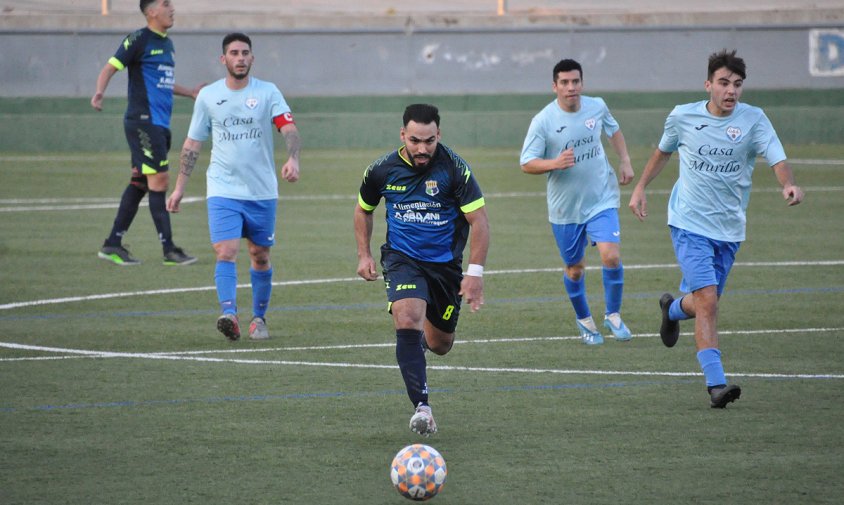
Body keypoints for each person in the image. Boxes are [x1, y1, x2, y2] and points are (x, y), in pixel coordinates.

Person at [628, 49, 804, 408]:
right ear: (708, 84)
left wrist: (788, 183)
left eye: (737, 85)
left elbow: (777, 158)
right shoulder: (683, 117)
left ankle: (673, 308)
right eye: (724, 83)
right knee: (709, 302)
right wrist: (641, 186)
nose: (731, 91)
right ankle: (716, 385)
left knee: (704, 303)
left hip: (729, 229)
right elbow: (663, 151)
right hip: (688, 223)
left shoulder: (754, 120)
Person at [354, 104, 489, 436]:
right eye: (415, 140)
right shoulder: (382, 170)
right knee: (406, 316)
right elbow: (363, 210)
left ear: (438, 135)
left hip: (445, 267)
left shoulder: (455, 169)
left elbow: (479, 221)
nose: (422, 148)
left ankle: (423, 342)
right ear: (403, 135)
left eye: (429, 141)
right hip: (402, 260)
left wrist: (474, 273)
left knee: (441, 344)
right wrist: (363, 254)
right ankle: (423, 408)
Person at [166, 32, 301, 341]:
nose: (240, 58)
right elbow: (192, 145)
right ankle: (229, 313)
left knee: (260, 255)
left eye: (245, 53)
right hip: (222, 189)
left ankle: (258, 319)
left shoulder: (268, 92)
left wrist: (293, 158)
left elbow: (289, 128)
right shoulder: (208, 96)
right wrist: (179, 188)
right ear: (223, 59)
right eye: (234, 53)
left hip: (261, 190)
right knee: (226, 251)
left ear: (252, 58)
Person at [519, 59, 635, 345]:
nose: (571, 87)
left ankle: (613, 315)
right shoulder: (543, 121)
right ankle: (585, 320)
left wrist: (625, 160)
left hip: (601, 198)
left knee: (611, 255)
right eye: (565, 83)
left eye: (575, 82)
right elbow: (526, 163)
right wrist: (554, 163)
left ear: (582, 83)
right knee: (575, 268)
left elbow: (614, 130)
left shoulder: (597, 106)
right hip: (566, 208)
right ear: (555, 86)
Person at [92, 0, 201, 266]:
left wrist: (190, 93)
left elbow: (162, 81)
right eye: (166, 4)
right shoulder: (138, 39)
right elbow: (111, 66)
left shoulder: (167, 44)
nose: (172, 8)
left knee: (140, 182)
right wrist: (99, 92)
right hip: (143, 121)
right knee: (160, 181)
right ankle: (169, 250)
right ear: (151, 11)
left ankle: (112, 244)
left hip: (159, 123)